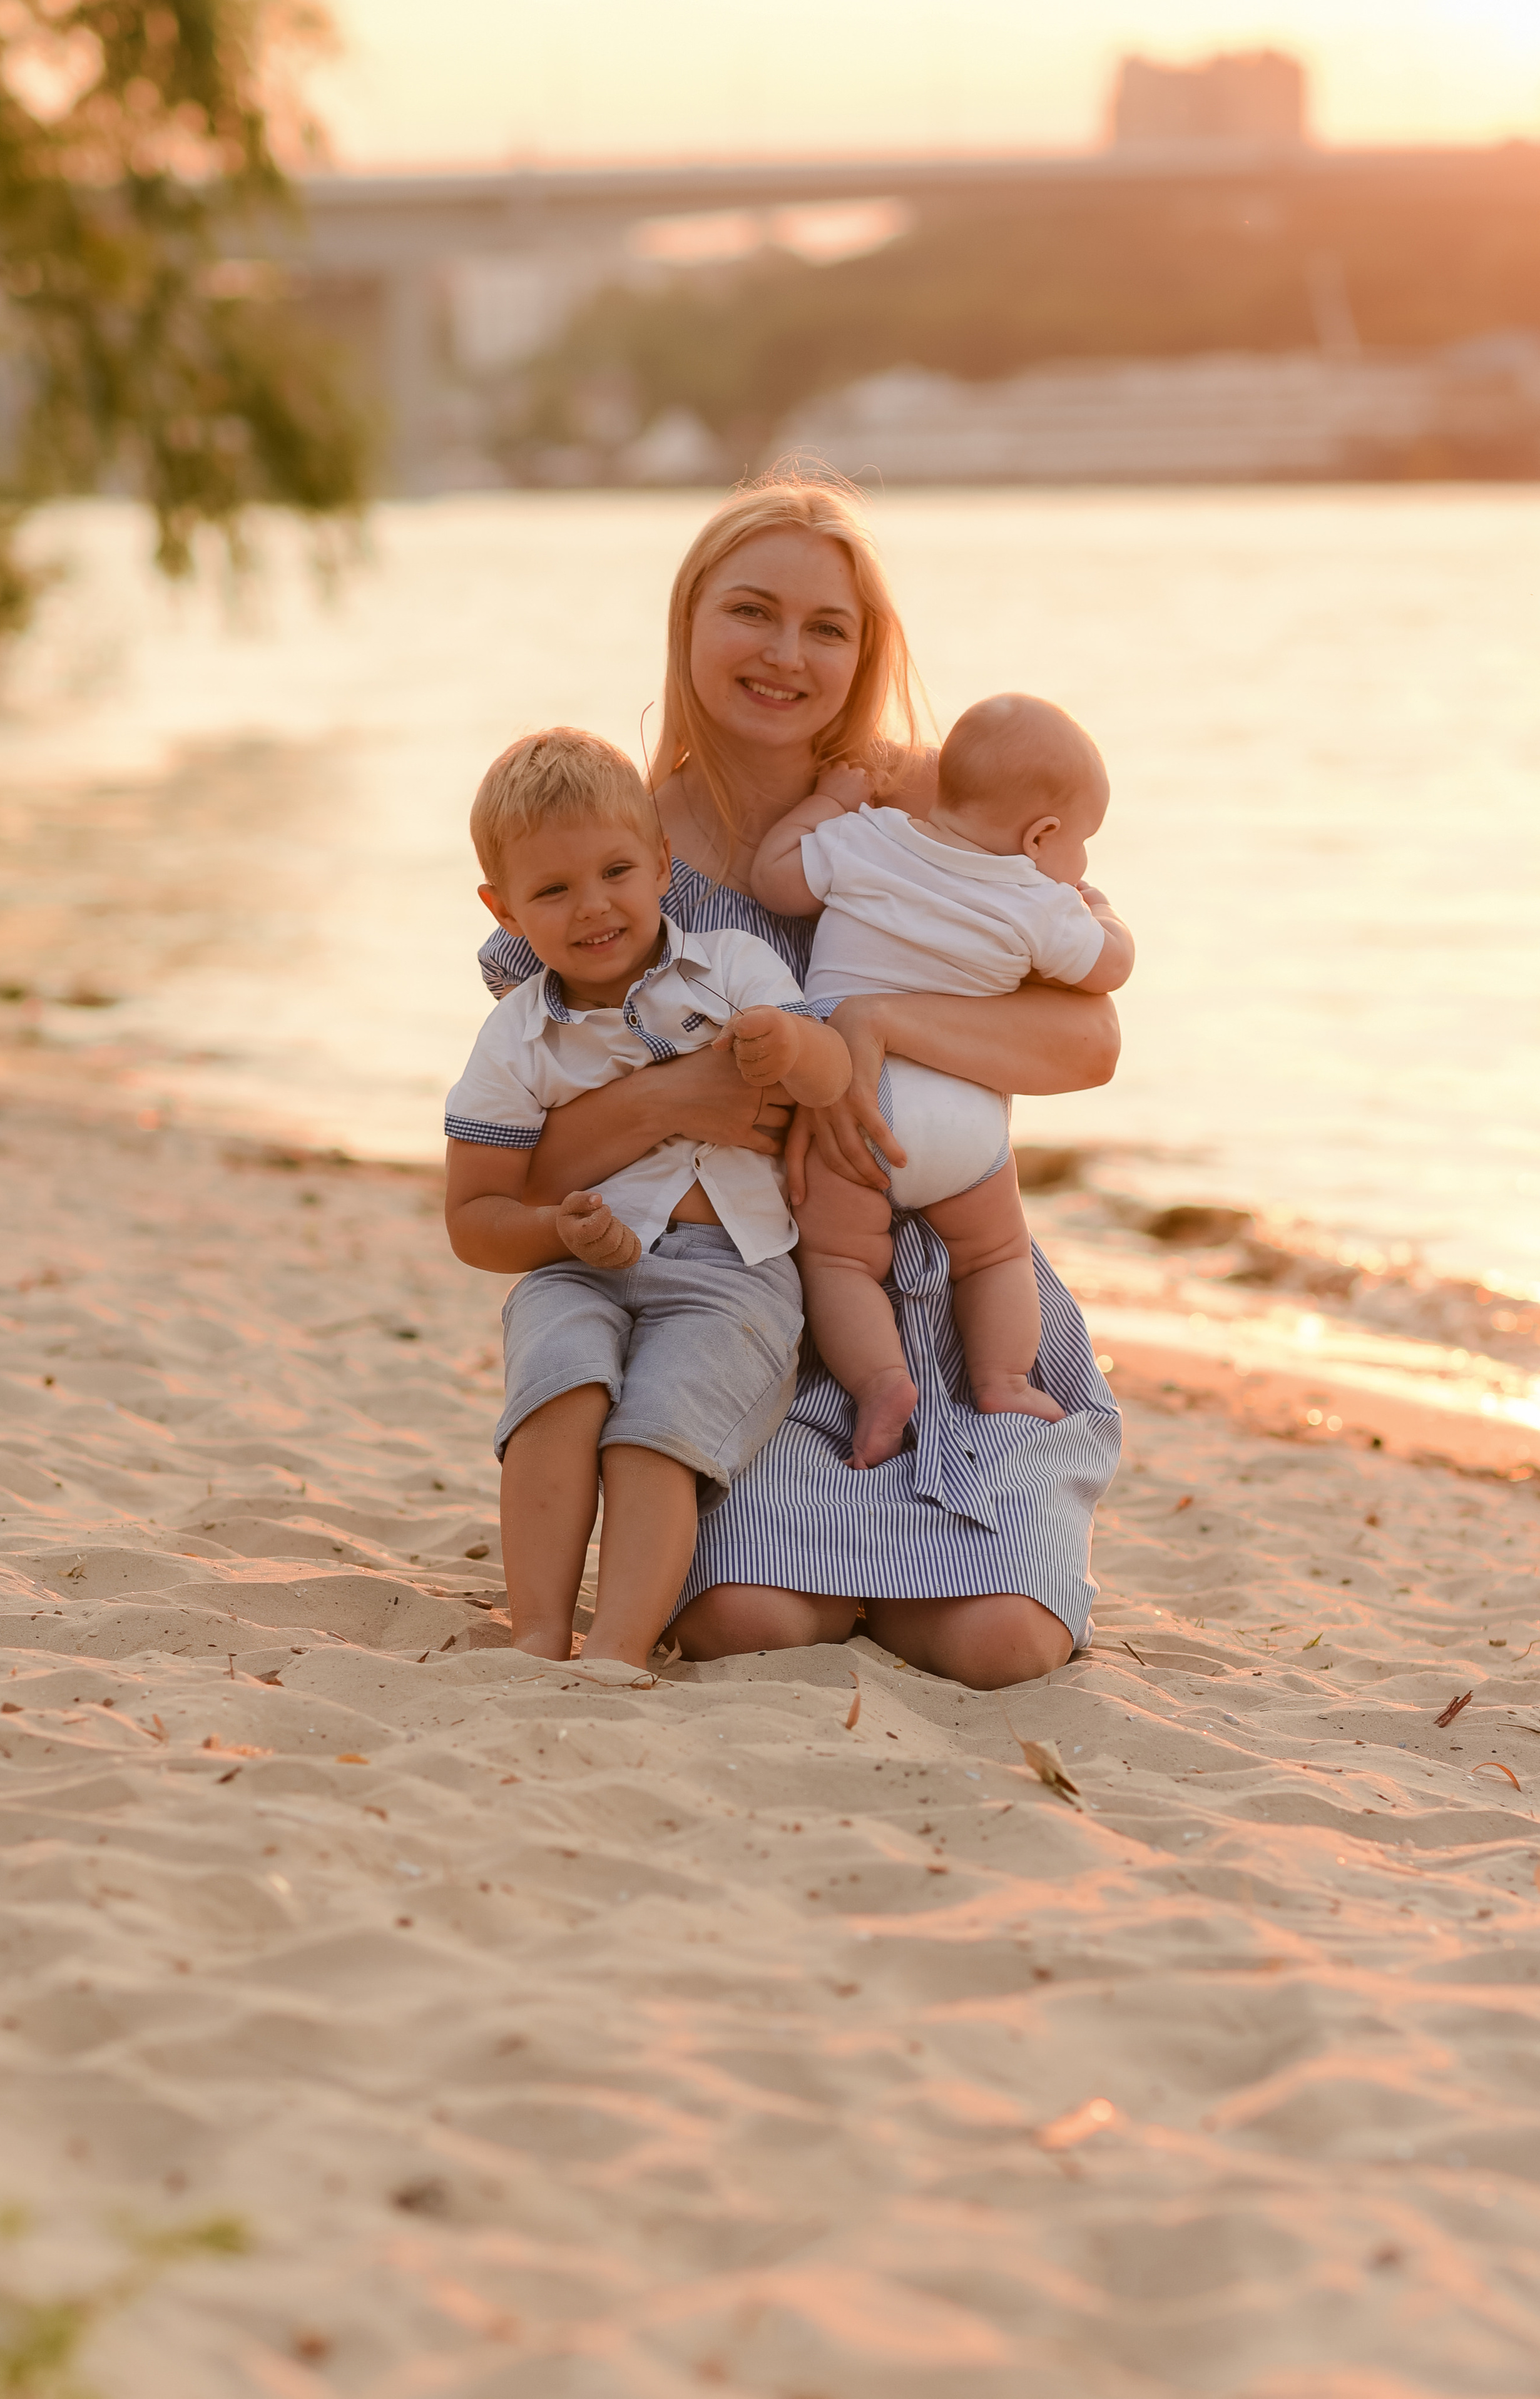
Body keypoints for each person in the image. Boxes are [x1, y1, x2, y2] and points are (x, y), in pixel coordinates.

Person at [452, 471, 1124, 1691]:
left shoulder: (930, 807)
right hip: (746, 1298)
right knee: (742, 1622)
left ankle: (949, 1539)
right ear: (689, 621)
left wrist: (877, 1021)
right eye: (750, 612)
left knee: (1003, 1646)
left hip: (949, 1279)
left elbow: (1090, 1042)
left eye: (827, 627)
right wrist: (673, 1102)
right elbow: (519, 1165)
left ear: (865, 654)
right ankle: (808, 1544)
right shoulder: (611, 854)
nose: (785, 654)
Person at [443, 727, 851, 1674]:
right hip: (575, 1268)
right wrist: (553, 1228)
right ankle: (537, 1633)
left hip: (730, 1277)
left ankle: (618, 1650)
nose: (594, 906)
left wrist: (792, 1046)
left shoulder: (733, 968)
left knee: (652, 1435)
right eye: (552, 890)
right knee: (556, 1394)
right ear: (503, 910)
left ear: (664, 864)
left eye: (617, 871)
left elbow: (831, 1076)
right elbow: (472, 1219)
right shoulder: (516, 1038)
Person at [748, 691, 1134, 1471]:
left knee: (839, 1262)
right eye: (1082, 845)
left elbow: (775, 881)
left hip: (856, 1106)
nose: (1081, 864)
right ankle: (1002, 1379)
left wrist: (829, 803)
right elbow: (1111, 968)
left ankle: (880, 1383)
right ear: (1041, 835)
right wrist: (1099, 910)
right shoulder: (1040, 901)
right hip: (967, 1122)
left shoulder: (865, 838)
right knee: (997, 1254)